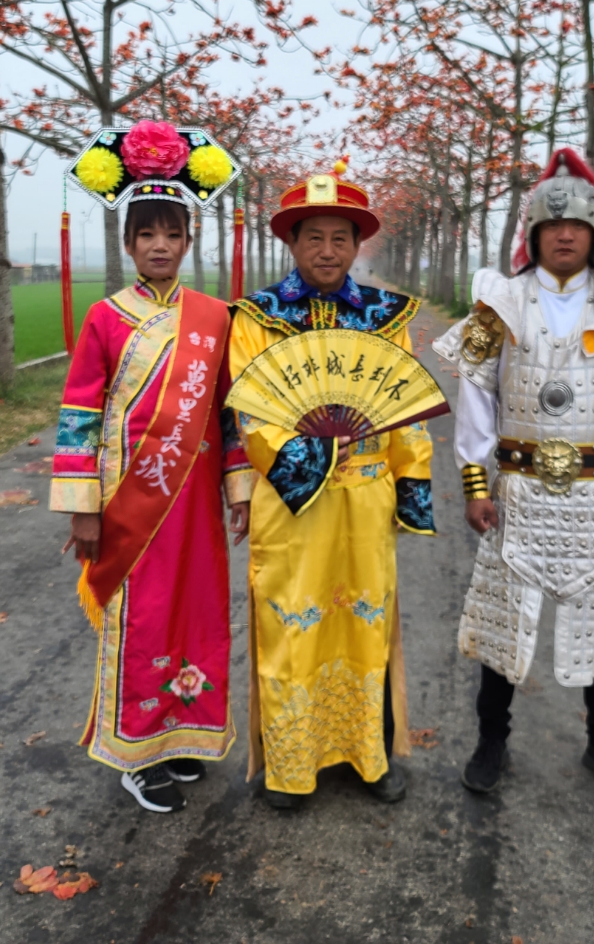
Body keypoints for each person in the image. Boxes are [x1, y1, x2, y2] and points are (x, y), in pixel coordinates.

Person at [432, 148, 594, 798]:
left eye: (576, 225)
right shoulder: (499, 302)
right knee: (501, 625)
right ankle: (491, 741)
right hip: (518, 490)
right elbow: (476, 398)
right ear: (533, 234)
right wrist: (473, 483)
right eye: (551, 225)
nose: (564, 234)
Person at [230, 164, 434, 810]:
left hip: (366, 498)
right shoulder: (258, 318)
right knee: (292, 626)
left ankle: (368, 757)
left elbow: (405, 406)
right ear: (291, 243)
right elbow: (254, 416)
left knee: (365, 624)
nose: (326, 250)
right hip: (293, 507)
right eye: (312, 237)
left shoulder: (383, 316)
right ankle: (289, 767)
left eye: (339, 238)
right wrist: (308, 462)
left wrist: (410, 486)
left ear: (356, 245)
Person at [50, 184, 253, 815]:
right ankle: (137, 751)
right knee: (142, 618)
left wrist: (238, 489)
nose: (159, 246)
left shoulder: (215, 317)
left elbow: (227, 413)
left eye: (172, 234)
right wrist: (84, 509)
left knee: (196, 613)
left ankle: (183, 730)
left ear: (189, 242)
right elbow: (79, 415)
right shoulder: (106, 318)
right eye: (147, 235)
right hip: (132, 502)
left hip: (194, 502)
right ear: (129, 245)